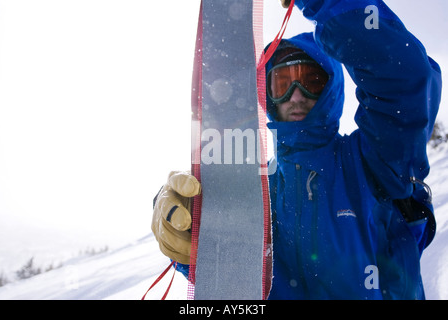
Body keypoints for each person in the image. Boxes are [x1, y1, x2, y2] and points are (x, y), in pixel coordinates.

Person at [151, 0, 442, 299]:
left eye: (311, 81)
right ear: (269, 95)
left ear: (331, 87)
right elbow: (234, 272)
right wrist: (194, 226)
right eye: (283, 84)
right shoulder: (258, 191)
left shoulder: (372, 161)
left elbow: (406, 80)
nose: (296, 96)